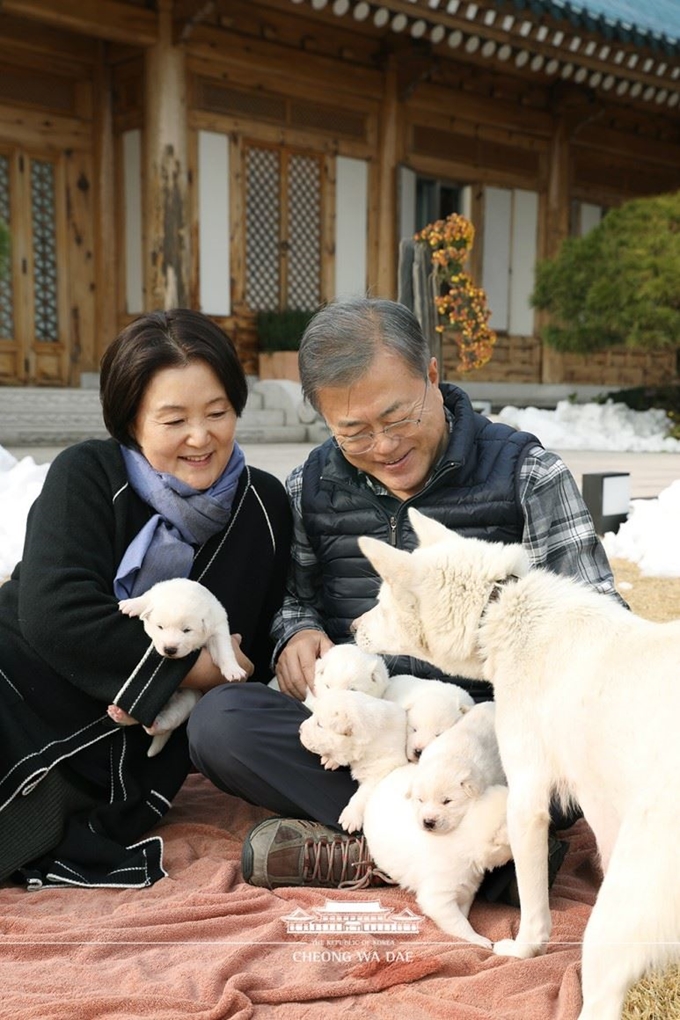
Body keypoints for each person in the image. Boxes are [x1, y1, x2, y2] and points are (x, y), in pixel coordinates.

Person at [187, 297, 624, 890]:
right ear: (324, 422)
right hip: (371, 721)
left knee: (558, 752)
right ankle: (478, 857)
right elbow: (293, 597)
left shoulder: (526, 474)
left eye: (397, 419)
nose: (384, 446)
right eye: (355, 432)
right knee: (220, 724)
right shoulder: (310, 485)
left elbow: (601, 625)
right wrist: (297, 631)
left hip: (491, 731)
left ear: (433, 378)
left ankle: (377, 850)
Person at [0, 309, 292, 888]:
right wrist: (193, 666)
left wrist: (216, 672)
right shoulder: (86, 472)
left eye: (217, 412)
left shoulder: (264, 506)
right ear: (131, 419)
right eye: (173, 419)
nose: (201, 437)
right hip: (22, 672)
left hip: (131, 749)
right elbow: (53, 611)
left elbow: (251, 640)